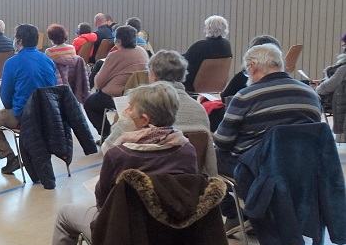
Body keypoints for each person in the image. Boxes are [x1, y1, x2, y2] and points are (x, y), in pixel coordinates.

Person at [33, 82, 199, 245]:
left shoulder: (120, 154)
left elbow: (103, 201)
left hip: (122, 232)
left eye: (130, 108)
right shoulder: (186, 149)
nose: (125, 112)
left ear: (144, 119)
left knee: (64, 214)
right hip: (170, 229)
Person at [213, 43, 323, 177]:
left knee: (209, 155)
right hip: (303, 169)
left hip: (256, 170)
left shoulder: (245, 96)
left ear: (252, 67)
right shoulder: (312, 95)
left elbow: (223, 142)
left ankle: (226, 198)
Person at [102, 49, 217, 175]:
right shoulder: (199, 109)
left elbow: (108, 148)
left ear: (153, 74)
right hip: (188, 181)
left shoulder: (140, 108)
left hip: (141, 181)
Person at [0, 24, 56, 174]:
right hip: (46, 114)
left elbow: (6, 98)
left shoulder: (12, 62)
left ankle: (10, 157)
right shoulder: (48, 60)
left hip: (23, 115)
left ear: (19, 41)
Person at [84, 25, 149, 138]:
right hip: (140, 94)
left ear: (118, 41)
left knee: (89, 103)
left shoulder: (115, 55)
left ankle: (107, 134)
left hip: (118, 96)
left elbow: (99, 82)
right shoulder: (142, 51)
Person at [183, 15, 232, 92]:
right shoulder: (227, 45)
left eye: (205, 26)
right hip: (215, 86)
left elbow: (182, 61)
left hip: (191, 85)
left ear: (209, 28)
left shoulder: (201, 45)